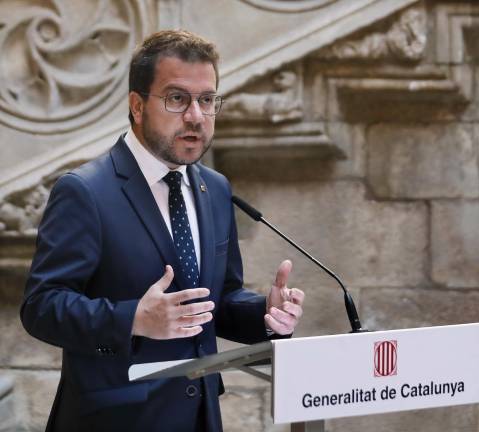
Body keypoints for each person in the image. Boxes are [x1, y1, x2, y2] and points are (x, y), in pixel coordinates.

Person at [20, 30, 305, 432]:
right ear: (137, 106)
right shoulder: (85, 191)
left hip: (200, 417)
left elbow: (216, 300)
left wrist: (265, 313)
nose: (196, 116)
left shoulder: (214, 187)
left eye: (207, 100)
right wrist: (132, 318)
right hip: (114, 421)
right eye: (177, 98)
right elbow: (41, 307)